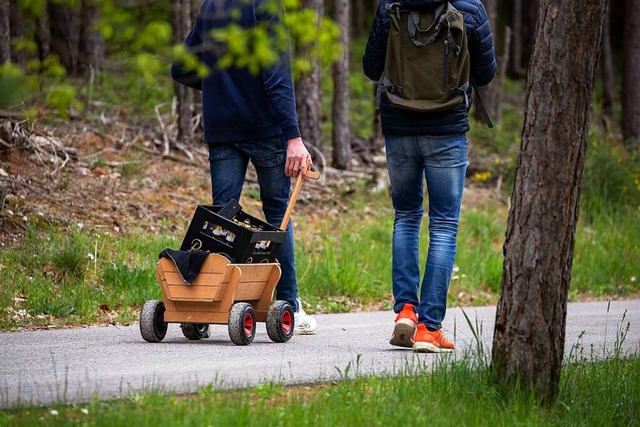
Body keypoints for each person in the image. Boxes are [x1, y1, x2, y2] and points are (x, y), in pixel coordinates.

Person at [171, 0, 316, 334]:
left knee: (221, 217)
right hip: (266, 128)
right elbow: (277, 76)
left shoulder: (211, 6)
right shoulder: (266, 4)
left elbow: (181, 68)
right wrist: (293, 136)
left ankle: (204, 302)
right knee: (278, 213)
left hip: (223, 128)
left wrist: (221, 90)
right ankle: (290, 304)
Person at [363, 0, 496, 352]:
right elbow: (485, 74)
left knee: (406, 217)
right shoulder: (470, 8)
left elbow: (370, 66)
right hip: (447, 130)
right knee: (443, 225)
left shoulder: (390, 5)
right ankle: (429, 328)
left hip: (399, 126)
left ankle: (406, 309)